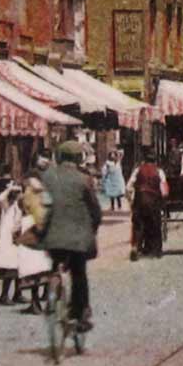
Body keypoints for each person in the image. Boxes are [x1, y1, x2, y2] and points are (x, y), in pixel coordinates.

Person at [36, 140, 105, 332]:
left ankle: (53, 285)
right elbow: (95, 210)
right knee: (78, 273)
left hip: (53, 238)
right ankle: (79, 314)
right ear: (78, 158)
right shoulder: (84, 179)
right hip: (77, 240)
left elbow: (41, 204)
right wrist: (94, 226)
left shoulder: (48, 177)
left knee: (55, 262)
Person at [16, 177, 55, 311]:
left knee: (33, 272)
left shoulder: (26, 199)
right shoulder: (45, 198)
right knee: (43, 271)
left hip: (30, 233)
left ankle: (35, 303)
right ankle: (48, 304)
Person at [129, 151, 168, 261]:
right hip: (153, 202)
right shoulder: (159, 171)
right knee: (155, 224)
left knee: (138, 225)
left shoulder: (138, 170)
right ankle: (156, 250)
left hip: (139, 201)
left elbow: (129, 186)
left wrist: (131, 200)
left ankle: (135, 247)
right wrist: (163, 200)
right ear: (155, 161)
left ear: (144, 160)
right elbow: (164, 191)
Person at [0, 179, 23, 305]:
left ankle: (18, 293)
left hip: (17, 239)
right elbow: (0, 198)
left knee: (19, 268)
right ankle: (4, 295)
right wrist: (9, 189)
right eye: (17, 192)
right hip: (8, 242)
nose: (19, 194)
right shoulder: (7, 206)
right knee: (10, 268)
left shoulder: (18, 206)